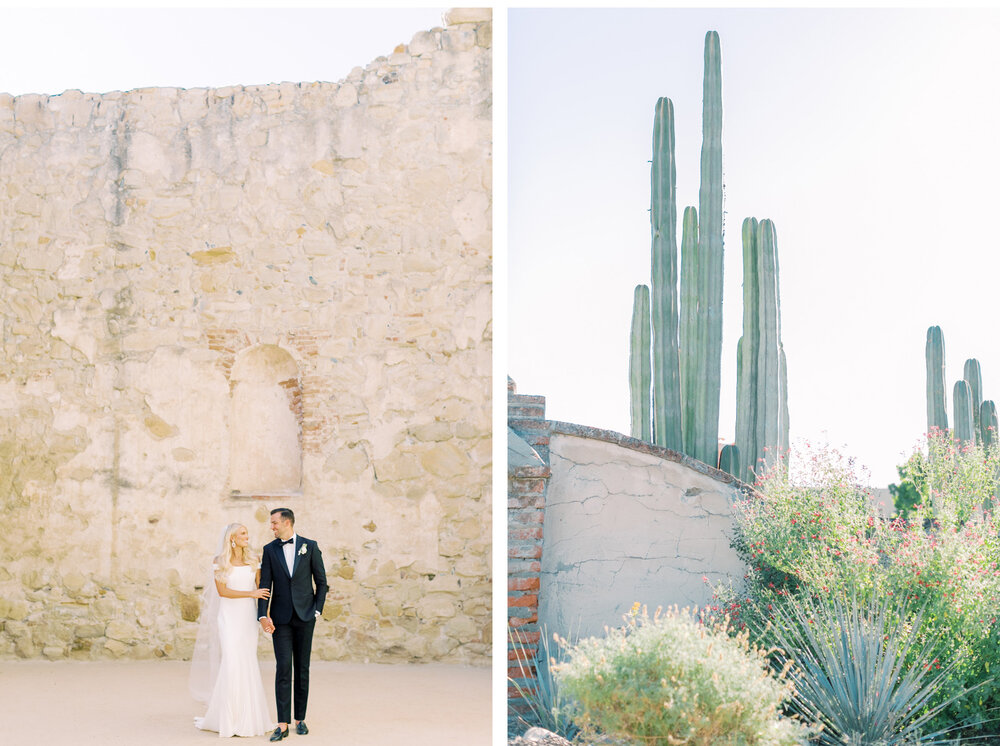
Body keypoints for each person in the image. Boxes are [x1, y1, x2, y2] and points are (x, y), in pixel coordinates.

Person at [190, 522, 274, 737]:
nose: (247, 536)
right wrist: (251, 594)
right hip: (228, 617)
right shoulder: (219, 561)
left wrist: (265, 615)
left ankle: (250, 717)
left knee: (247, 661)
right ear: (232, 538)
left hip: (247, 618)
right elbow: (223, 592)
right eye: (243, 533)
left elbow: (262, 590)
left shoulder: (254, 560)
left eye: (247, 532)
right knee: (231, 660)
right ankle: (227, 718)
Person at [258, 507, 328, 741]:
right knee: (283, 668)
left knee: (302, 668)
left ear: (287, 522)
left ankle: (301, 719)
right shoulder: (269, 550)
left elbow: (321, 582)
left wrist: (317, 610)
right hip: (280, 619)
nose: (272, 527)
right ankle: (282, 723)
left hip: (306, 616)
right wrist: (262, 615)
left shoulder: (310, 546)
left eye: (275, 523)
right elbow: (265, 585)